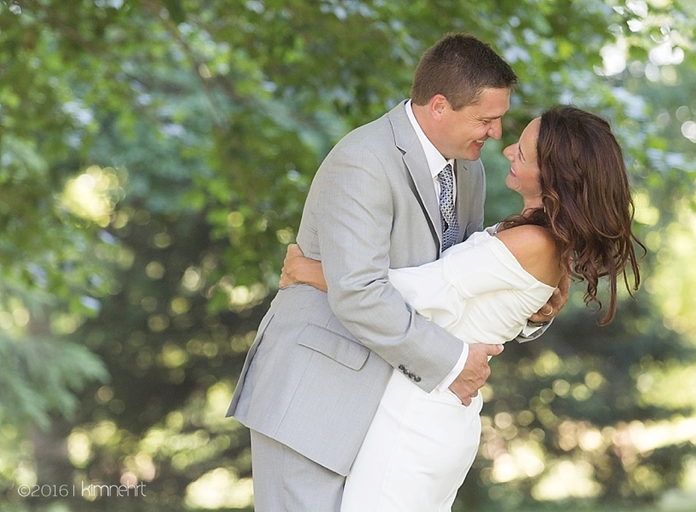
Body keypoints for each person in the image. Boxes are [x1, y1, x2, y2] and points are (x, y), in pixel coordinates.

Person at [226, 33, 569, 512]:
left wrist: (531, 307)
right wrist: (453, 363)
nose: (496, 134)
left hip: (397, 405)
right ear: (439, 106)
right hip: (316, 395)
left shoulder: (469, 172)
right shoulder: (363, 161)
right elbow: (360, 295)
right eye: (486, 120)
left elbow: (459, 285)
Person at [280, 105, 645, 511]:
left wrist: (310, 271)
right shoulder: (534, 238)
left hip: (417, 421)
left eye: (521, 154)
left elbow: (418, 292)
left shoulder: (533, 244)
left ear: (554, 177)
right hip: (432, 410)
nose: (506, 150)